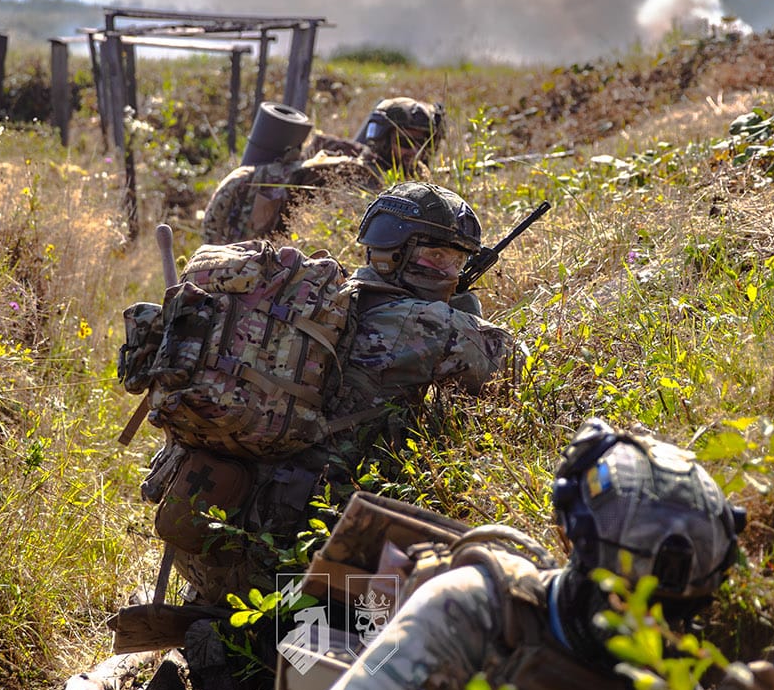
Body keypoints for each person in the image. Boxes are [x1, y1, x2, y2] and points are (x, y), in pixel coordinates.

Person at [153, 181, 523, 607]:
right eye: (435, 255)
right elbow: (516, 371)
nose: (447, 272)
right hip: (301, 568)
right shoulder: (431, 324)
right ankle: (300, 658)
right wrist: (469, 315)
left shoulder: (313, 304)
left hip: (208, 545)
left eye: (456, 260)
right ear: (394, 250)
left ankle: (224, 639)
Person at [301, 418, 767, 690]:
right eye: (620, 595)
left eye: (669, 613)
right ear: (573, 548)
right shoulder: (468, 608)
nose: (642, 622)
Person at [198, 98, 444, 246]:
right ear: (381, 139)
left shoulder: (417, 179)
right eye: (404, 142)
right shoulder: (353, 178)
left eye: (421, 144)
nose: (413, 152)